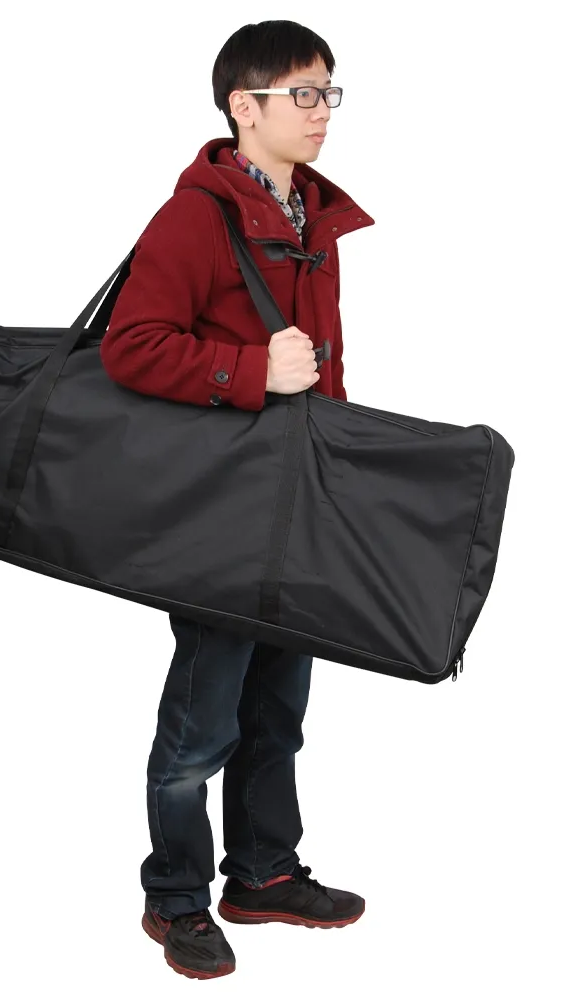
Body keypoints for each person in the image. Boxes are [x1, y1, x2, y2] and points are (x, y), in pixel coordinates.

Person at [99, 19, 375, 980]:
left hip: (295, 505)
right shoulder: (195, 217)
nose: (322, 111)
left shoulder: (311, 221)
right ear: (241, 107)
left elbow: (324, 371)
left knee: (279, 707)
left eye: (329, 91)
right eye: (302, 93)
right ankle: (176, 897)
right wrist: (252, 371)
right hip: (218, 509)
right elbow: (131, 345)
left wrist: (340, 471)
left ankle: (262, 874)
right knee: (202, 720)